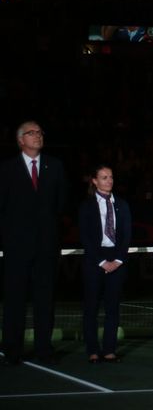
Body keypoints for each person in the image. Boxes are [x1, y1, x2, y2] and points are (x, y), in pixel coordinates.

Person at [0, 121, 67, 365]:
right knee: (15, 299)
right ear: (20, 140)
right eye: (31, 133)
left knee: (45, 300)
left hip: (46, 247)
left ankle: (43, 349)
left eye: (40, 132)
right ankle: (12, 350)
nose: (37, 136)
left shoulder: (55, 166)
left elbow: (60, 204)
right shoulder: (6, 170)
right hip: (17, 248)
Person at [78, 165, 132, 364]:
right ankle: (93, 350)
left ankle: (109, 350)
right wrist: (101, 261)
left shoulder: (122, 205)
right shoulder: (87, 206)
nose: (109, 180)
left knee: (112, 308)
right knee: (91, 307)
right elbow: (85, 236)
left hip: (117, 260)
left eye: (110, 177)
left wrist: (117, 260)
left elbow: (126, 235)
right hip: (94, 260)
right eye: (104, 177)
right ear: (94, 180)